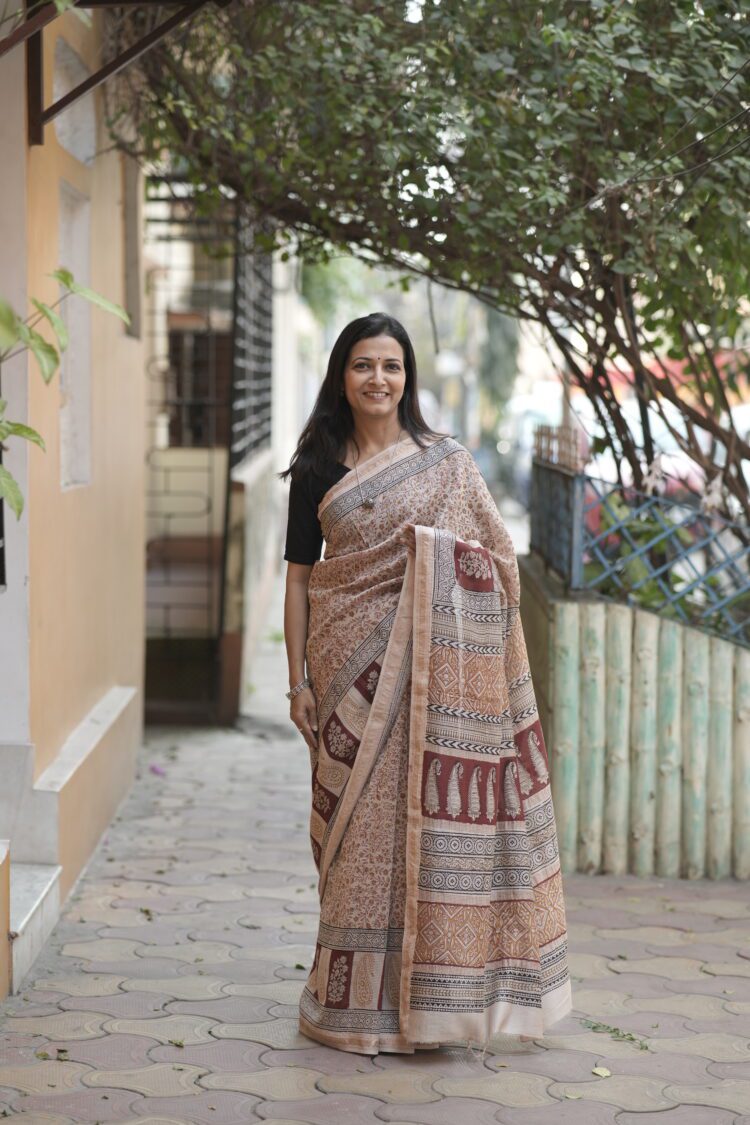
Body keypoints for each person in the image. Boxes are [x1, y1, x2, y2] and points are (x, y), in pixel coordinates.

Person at [282, 312, 571, 1055]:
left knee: (422, 833)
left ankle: (428, 1004)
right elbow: (302, 580)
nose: (378, 378)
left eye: (391, 365)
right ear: (340, 376)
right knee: (353, 839)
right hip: (348, 670)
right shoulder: (317, 462)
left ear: (407, 377)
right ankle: (347, 1003)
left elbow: (498, 563)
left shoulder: (446, 463)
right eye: (362, 365)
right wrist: (298, 681)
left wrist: (438, 571)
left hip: (436, 679)